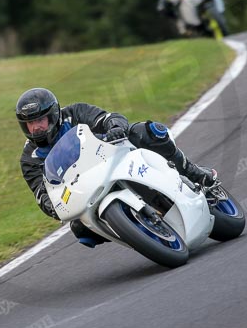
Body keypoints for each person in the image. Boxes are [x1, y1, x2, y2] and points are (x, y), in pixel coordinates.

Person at [16, 87, 217, 248]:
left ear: (53, 115)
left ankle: (192, 172)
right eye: (30, 124)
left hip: (111, 159)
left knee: (148, 132)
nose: (36, 128)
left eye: (40, 120)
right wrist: (54, 207)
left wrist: (115, 128)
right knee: (79, 229)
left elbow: (108, 117)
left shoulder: (75, 113)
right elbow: (41, 194)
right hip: (83, 190)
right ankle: (133, 231)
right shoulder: (29, 159)